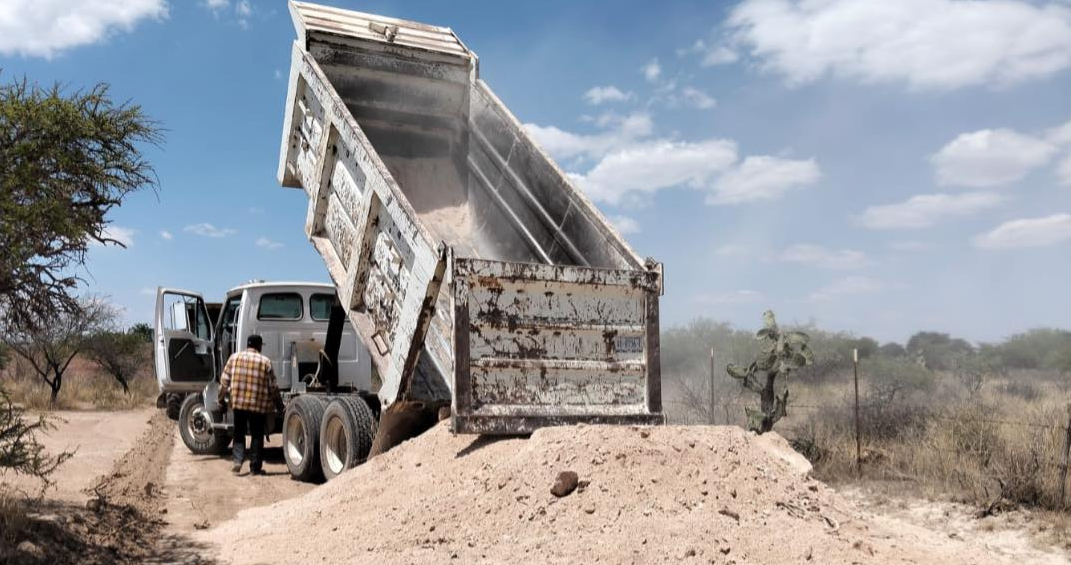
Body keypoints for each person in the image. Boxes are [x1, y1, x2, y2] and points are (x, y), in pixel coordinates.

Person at [219, 334, 283, 475]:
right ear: (259, 346)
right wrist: (279, 405)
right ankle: (255, 468)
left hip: (238, 404)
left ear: (248, 345)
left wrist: (221, 400)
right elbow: (273, 387)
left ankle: (237, 462)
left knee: (239, 433)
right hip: (257, 405)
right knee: (257, 435)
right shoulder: (265, 362)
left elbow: (224, 383)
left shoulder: (234, 358)